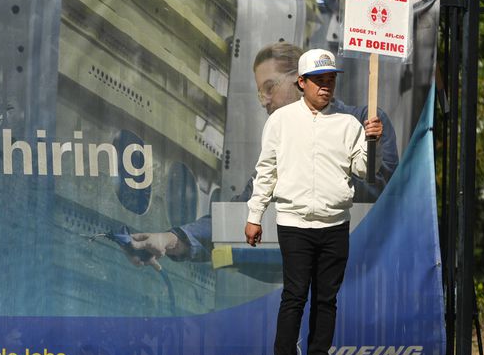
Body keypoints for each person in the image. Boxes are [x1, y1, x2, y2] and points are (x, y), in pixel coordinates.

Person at [127, 42, 397, 268]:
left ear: (300, 80)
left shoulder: (365, 121)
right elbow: (238, 212)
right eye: (260, 93)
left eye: (269, 88)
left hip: (362, 276)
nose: (265, 101)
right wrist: (170, 240)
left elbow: (382, 197)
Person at [245, 48, 382, 355]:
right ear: (301, 82)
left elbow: (367, 171)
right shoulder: (280, 120)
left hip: (335, 223)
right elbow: (266, 172)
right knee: (294, 296)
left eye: (330, 80)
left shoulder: (349, 123)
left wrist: (372, 141)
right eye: (318, 80)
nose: (325, 87)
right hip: (294, 222)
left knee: (327, 299)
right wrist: (254, 215)